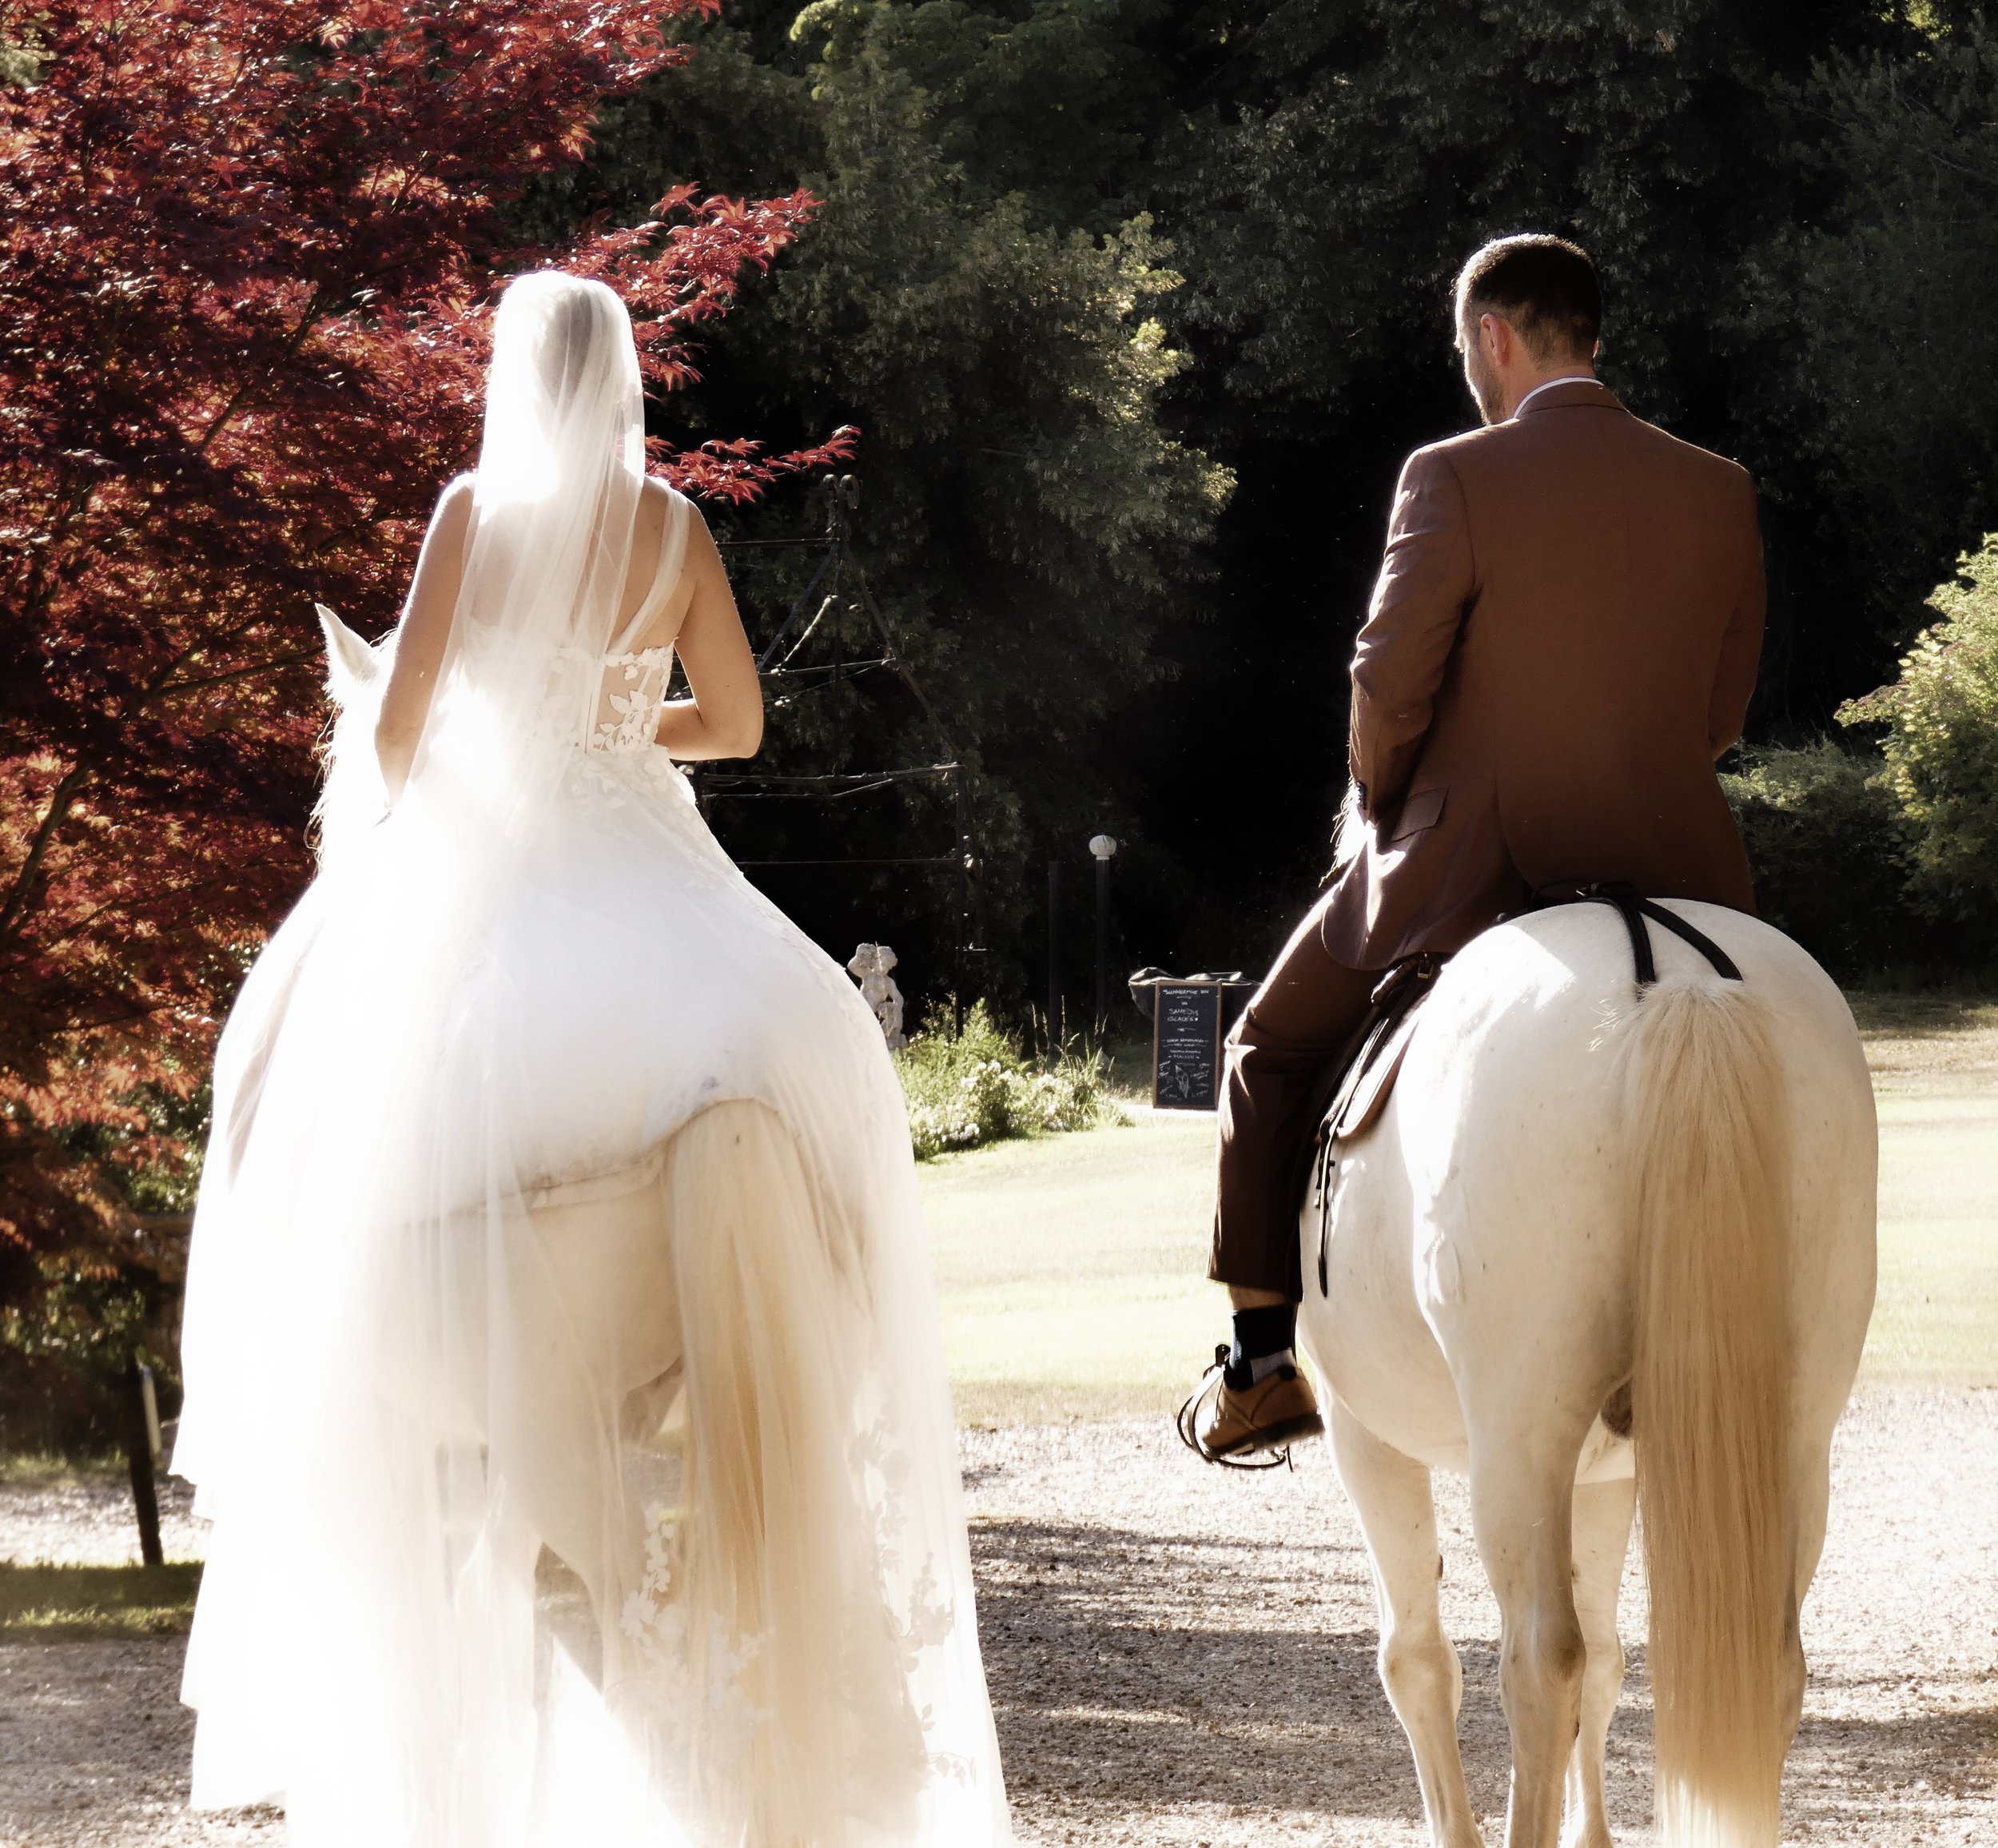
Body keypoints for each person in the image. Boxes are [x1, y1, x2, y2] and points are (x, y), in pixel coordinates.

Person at [172, 271, 1011, 1846]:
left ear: (508, 376)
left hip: (498, 861)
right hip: (654, 863)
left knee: (286, 1063)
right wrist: (622, 729)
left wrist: (516, 737)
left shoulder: (470, 515)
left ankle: (333, 1384)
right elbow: (742, 725)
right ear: (623, 379)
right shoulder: (673, 528)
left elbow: (403, 732)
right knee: (798, 1043)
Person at [1186, 233, 1764, 1461]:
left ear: (1493, 337)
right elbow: (1720, 717)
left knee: (1266, 1049)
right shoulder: (1718, 487)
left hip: (1472, 864)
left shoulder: (1450, 474)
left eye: (1465, 348)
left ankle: (1262, 1362)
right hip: (1686, 872)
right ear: (1590, 333)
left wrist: (1384, 804)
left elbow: (1388, 686)